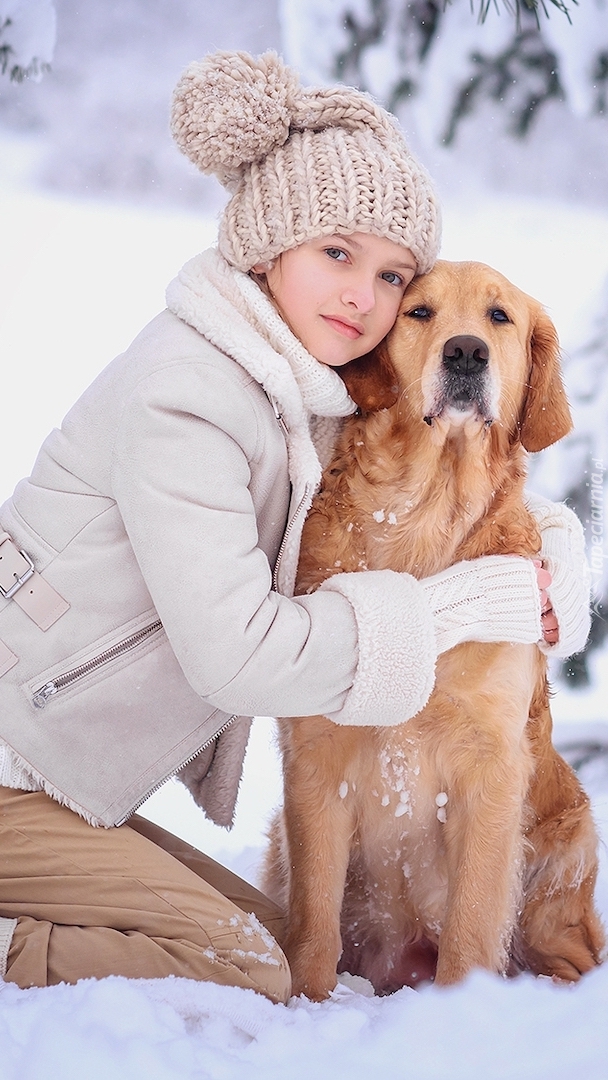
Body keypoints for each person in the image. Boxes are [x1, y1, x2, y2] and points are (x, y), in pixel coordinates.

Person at [0, 50, 589, 1003]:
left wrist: (556, 558)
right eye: (335, 253)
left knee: (269, 940)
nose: (363, 293)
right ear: (268, 246)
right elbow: (239, 656)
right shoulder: (185, 397)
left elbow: (467, 494)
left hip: (53, 768)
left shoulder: (307, 382)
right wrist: (455, 610)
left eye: (393, 273)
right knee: (250, 967)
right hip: (9, 759)